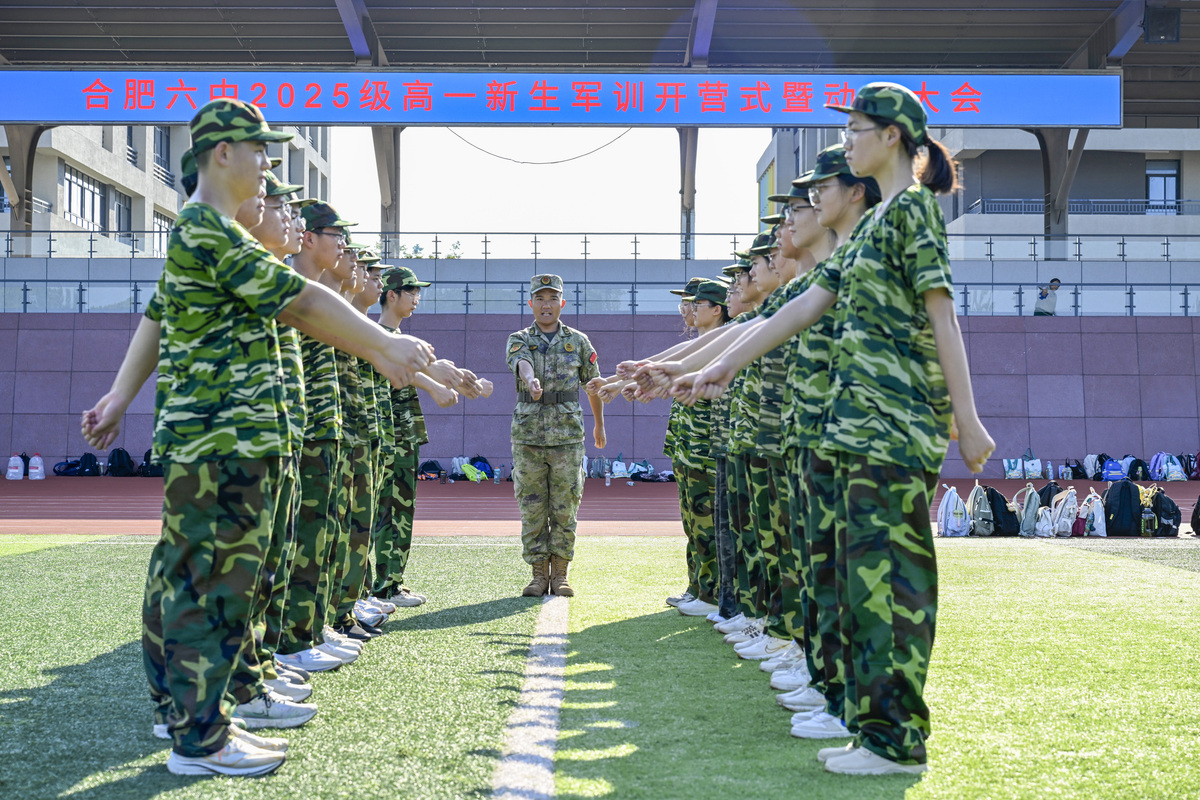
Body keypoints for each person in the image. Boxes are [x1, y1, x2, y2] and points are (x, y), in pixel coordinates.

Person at [81, 98, 434, 778]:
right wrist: (385, 344)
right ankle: (199, 739)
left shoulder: (210, 235)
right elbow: (301, 301)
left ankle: (191, 716)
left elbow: (160, 314)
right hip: (224, 438)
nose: (267, 165)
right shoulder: (208, 231)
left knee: (207, 579)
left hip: (233, 436)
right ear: (223, 153)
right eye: (260, 150)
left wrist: (120, 395)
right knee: (212, 585)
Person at [675, 82, 994, 776]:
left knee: (891, 583)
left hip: (895, 428)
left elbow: (942, 315)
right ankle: (872, 728)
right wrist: (720, 366)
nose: (847, 143)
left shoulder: (914, 212)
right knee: (858, 585)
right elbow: (797, 309)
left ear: (892, 137)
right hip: (853, 431)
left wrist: (966, 420)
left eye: (855, 131)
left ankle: (897, 740)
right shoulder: (873, 229)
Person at [507, 274, 605, 597]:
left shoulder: (579, 342)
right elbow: (521, 362)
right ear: (531, 303)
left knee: (565, 506)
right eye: (540, 298)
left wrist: (599, 424)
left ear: (562, 303)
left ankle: (560, 574)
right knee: (532, 506)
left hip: (567, 437)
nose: (546, 305)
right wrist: (531, 380)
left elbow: (593, 385)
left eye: (552, 299)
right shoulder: (519, 338)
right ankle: (538, 575)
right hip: (528, 437)